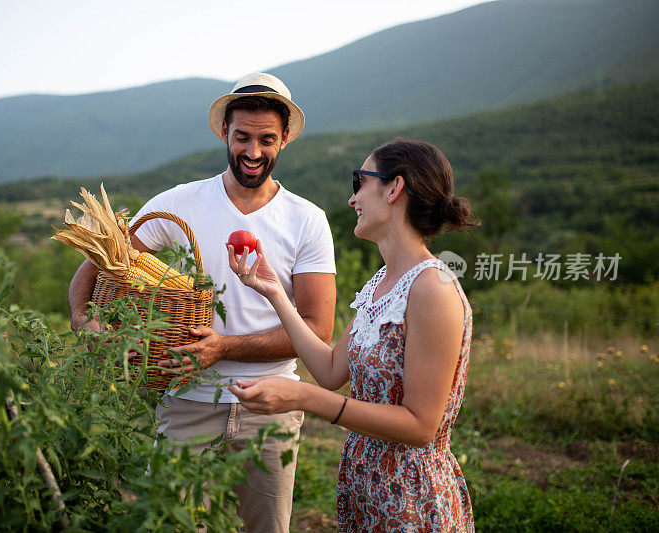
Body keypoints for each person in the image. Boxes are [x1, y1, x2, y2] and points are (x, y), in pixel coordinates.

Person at [68, 72, 336, 533]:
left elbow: (317, 330)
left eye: (266, 139)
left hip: (269, 404)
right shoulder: (180, 204)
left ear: (285, 139)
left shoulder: (307, 220)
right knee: (166, 524)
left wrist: (224, 348)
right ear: (224, 134)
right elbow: (101, 259)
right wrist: (81, 318)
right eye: (242, 137)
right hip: (185, 398)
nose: (253, 152)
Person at [227, 138, 477, 531]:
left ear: (394, 188)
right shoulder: (383, 281)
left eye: (360, 182)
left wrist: (305, 398)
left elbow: (420, 426)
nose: (352, 198)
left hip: (410, 496)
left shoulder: (433, 288)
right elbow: (330, 370)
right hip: (367, 486)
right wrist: (276, 293)